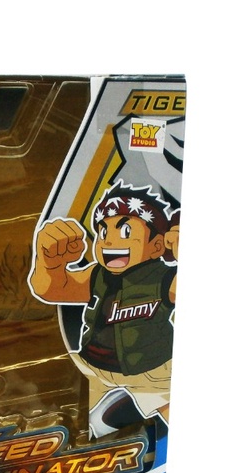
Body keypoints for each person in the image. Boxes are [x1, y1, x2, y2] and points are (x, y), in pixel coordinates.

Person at [29, 182, 178, 438]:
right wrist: (49, 264)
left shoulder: (163, 278)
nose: (108, 240)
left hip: (153, 371)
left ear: (156, 245)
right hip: (92, 368)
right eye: (103, 231)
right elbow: (53, 290)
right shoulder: (97, 274)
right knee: (53, 404)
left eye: (125, 231)